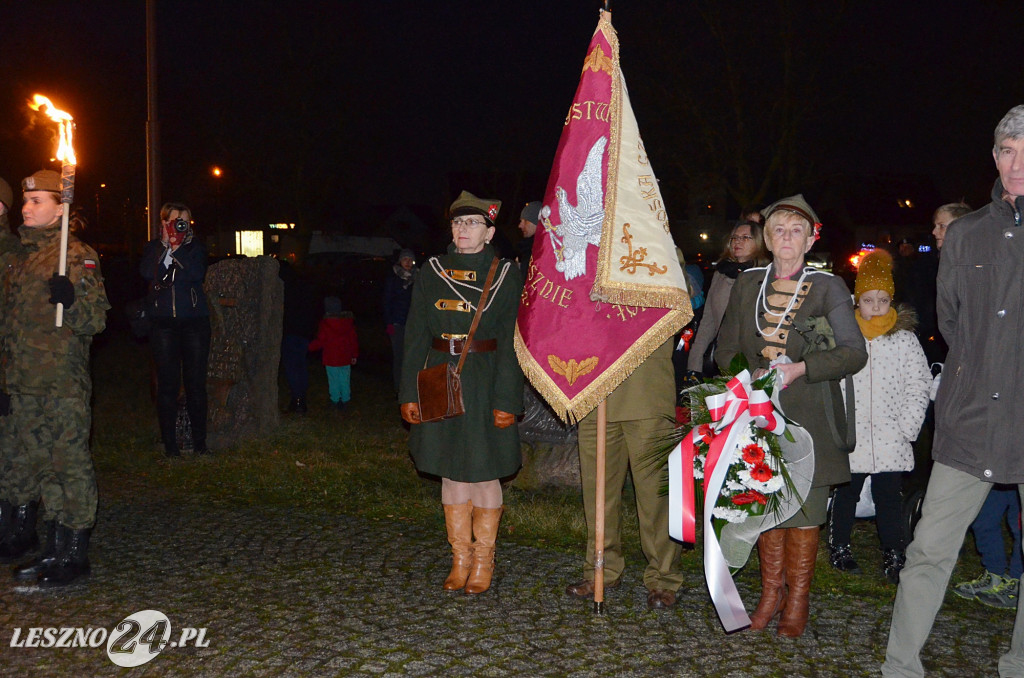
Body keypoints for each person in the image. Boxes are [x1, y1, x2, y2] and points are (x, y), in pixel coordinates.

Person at [882, 105, 1024, 677]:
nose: (1017, 164)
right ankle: (899, 667)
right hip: (969, 422)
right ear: (994, 157)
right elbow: (954, 321)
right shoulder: (965, 233)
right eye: (1008, 150)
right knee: (928, 551)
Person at [716, 194, 867, 637]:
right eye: (778, 229)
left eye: (796, 230)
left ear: (810, 238)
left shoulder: (829, 286)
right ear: (767, 236)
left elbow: (853, 353)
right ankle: (770, 593)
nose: (786, 237)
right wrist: (748, 380)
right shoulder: (747, 284)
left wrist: (802, 368)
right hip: (756, 415)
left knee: (804, 510)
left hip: (811, 417)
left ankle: (797, 600)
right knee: (763, 503)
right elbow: (725, 348)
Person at [399, 191, 523, 595]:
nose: (462, 230)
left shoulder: (504, 273)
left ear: (489, 232)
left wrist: (507, 400)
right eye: (457, 223)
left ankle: (484, 560)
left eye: (472, 224)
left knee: (483, 469)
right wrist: (408, 392)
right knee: (452, 469)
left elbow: (509, 339)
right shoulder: (431, 270)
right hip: (438, 374)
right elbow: (416, 334)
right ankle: (460, 558)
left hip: (484, 378)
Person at [0, 170, 110, 587]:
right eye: (26, 202)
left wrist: (73, 300)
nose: (26, 209)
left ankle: (74, 554)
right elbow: (9, 328)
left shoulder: (75, 255)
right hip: (25, 384)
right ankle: (54, 546)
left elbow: (95, 321)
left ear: (60, 209)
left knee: (70, 466)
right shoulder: (22, 259)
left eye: (37, 202)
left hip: (61, 384)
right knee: (43, 467)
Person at [827, 249, 931, 584]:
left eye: (883, 299)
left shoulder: (904, 339)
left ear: (892, 299)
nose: (875, 307)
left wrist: (908, 425)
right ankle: (839, 545)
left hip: (892, 434)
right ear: (858, 301)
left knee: (889, 497)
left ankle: (894, 551)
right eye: (868, 300)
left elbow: (919, 382)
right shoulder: (846, 336)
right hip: (852, 434)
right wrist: (838, 425)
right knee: (846, 493)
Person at [565, 339, 685, 610]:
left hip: (647, 390)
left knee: (654, 495)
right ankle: (601, 570)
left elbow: (679, 299)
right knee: (598, 492)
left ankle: (663, 576)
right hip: (595, 388)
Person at [140, 202, 211, 457]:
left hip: (194, 322)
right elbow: (147, 272)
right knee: (167, 385)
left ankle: (200, 444)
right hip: (163, 324)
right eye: (174, 220)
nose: (180, 225)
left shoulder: (195, 248)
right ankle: (170, 446)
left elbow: (196, 273)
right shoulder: (153, 248)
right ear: (163, 222)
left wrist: (178, 248)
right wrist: (166, 247)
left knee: (195, 384)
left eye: (184, 220)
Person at [686, 220, 769, 378]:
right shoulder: (721, 275)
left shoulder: (766, 275)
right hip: (721, 358)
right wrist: (694, 363)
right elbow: (708, 321)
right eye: (734, 238)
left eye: (745, 237)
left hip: (755, 362)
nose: (738, 241)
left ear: (759, 242)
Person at [279, 260, 319, 414]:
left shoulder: (285, 288)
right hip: (302, 332)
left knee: (292, 367)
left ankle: (298, 400)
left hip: (291, 332)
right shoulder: (304, 286)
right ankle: (300, 399)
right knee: (300, 366)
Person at [308, 297, 358, 410]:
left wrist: (309, 347)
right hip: (345, 358)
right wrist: (354, 355)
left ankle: (335, 400)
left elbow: (321, 340)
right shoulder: (348, 323)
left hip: (331, 358)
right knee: (345, 379)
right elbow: (353, 340)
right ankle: (345, 400)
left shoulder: (325, 324)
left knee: (333, 379)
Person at [383, 248, 417, 395]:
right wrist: (389, 322)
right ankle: (398, 389)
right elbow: (386, 301)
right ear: (400, 261)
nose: (408, 262)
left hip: (413, 324)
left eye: (410, 260)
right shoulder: (393, 279)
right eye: (405, 259)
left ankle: (410, 388)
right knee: (399, 357)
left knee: (412, 357)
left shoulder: (418, 278)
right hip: (397, 323)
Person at [516, 201, 541, 279]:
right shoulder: (526, 250)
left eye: (525, 221)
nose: (520, 225)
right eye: (521, 221)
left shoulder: (539, 254)